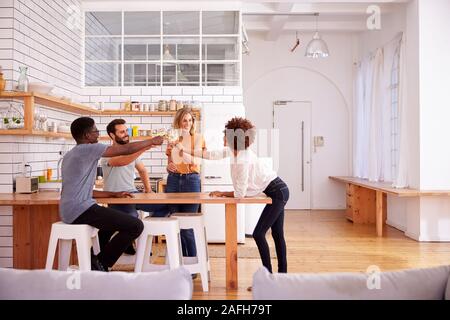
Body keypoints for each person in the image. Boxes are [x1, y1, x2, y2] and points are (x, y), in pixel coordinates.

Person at [173, 117, 289, 277]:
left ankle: (268, 277)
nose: (222, 137)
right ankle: (280, 276)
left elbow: (240, 195)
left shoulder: (242, 159)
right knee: (276, 234)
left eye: (225, 135)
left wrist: (222, 192)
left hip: (278, 191)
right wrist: (185, 150)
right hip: (276, 190)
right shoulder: (233, 151)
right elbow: (210, 155)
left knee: (260, 234)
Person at [60, 117, 164, 271]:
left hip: (69, 210)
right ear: (86, 135)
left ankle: (93, 257)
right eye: (95, 131)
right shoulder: (88, 149)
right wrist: (151, 141)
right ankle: (101, 263)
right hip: (80, 210)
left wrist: (113, 194)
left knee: (110, 224)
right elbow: (125, 149)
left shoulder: (70, 155)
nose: (97, 134)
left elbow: (82, 190)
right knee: (135, 225)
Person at [100, 119, 170, 254]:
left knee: (165, 205)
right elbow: (121, 162)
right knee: (132, 220)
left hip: (133, 194)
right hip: (116, 196)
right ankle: (127, 242)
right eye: (122, 132)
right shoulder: (107, 153)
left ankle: (146, 233)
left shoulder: (131, 153)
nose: (126, 134)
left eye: (126, 131)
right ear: (112, 135)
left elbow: (142, 170)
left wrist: (148, 190)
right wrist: (144, 147)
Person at [165, 107, 206, 257]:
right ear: (179, 122)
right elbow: (169, 164)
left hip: (191, 181)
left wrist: (181, 149)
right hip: (174, 181)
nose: (187, 123)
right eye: (184, 120)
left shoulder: (198, 138)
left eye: (190, 120)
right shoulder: (173, 140)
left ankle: (193, 263)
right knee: (176, 224)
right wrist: (169, 166)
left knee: (188, 226)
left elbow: (195, 161)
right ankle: (180, 262)